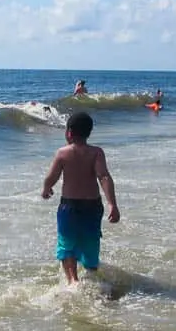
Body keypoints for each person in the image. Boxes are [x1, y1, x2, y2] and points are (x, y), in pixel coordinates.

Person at [41, 111, 120, 284]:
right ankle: (91, 276)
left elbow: (51, 176)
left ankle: (73, 281)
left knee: (66, 243)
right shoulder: (96, 152)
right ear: (89, 132)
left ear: (69, 132)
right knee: (91, 241)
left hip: (69, 207)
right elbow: (104, 176)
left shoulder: (62, 153)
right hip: (93, 206)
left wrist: (47, 188)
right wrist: (112, 204)